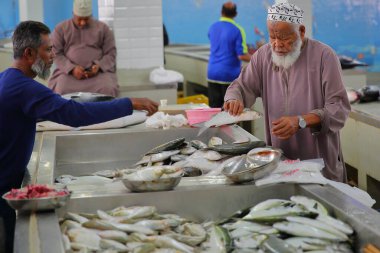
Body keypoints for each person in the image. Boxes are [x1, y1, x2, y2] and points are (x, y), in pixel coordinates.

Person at [0, 21, 158, 253]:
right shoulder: (25, 89)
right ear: (29, 53)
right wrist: (129, 103)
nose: (53, 56)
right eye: (48, 50)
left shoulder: (8, 79)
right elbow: (76, 115)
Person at [224, 2, 350, 182]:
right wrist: (234, 99)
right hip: (280, 162)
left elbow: (338, 108)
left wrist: (301, 121)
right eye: (272, 37)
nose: (277, 44)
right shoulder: (263, 56)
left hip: (319, 163)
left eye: (283, 38)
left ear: (301, 31)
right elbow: (242, 86)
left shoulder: (324, 56)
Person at [48, 0, 119, 97]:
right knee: (61, 88)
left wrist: (99, 66)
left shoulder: (103, 29)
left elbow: (111, 53)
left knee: (107, 88)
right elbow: (55, 53)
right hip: (68, 74)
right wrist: (72, 68)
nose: (82, 22)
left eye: (86, 19)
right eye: (80, 19)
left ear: (91, 15)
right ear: (73, 14)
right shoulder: (61, 28)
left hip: (98, 74)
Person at [207, 1, 251, 108]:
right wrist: (259, 58)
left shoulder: (212, 27)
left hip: (212, 73)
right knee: (230, 112)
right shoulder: (237, 30)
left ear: (221, 12)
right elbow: (241, 55)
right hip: (229, 76)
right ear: (235, 14)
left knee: (214, 111)